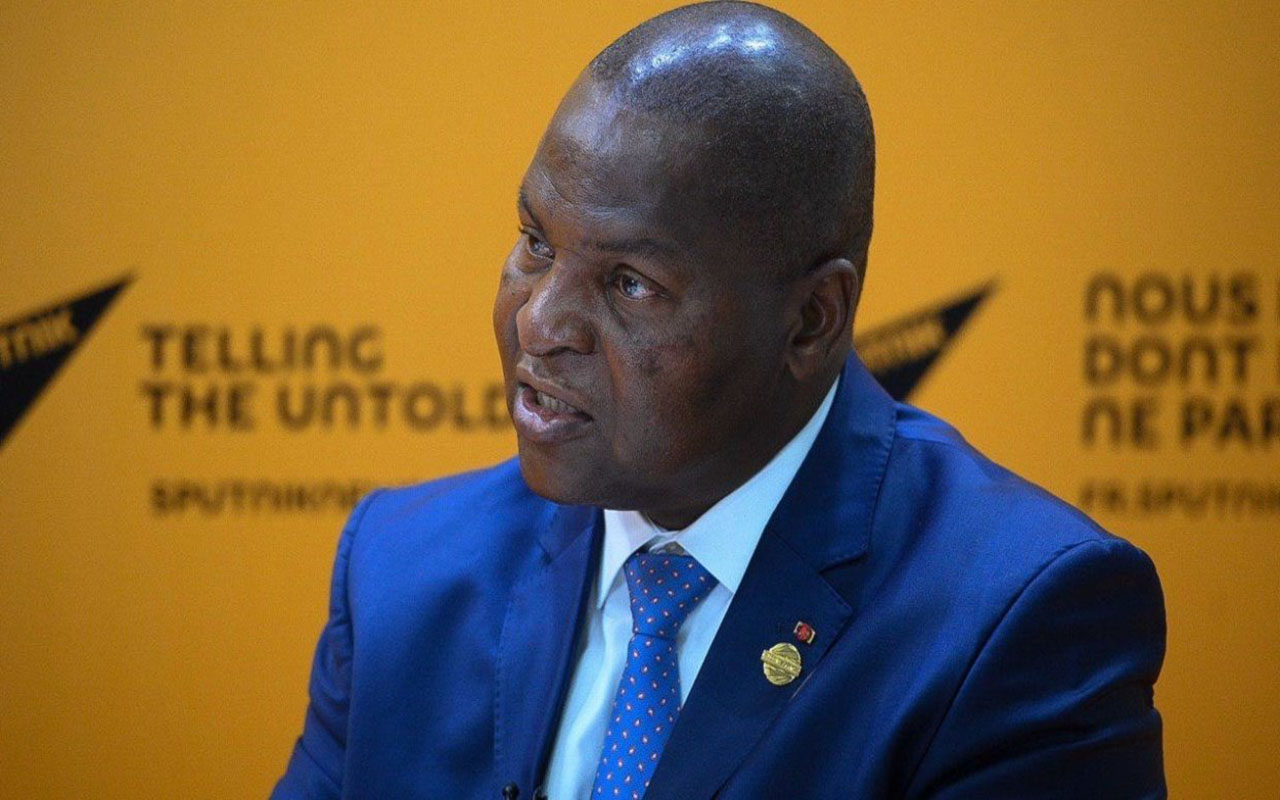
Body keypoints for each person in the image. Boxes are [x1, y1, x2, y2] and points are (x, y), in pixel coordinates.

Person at [272, 2, 1166, 798]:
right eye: (536, 243)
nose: (539, 322)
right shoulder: (400, 575)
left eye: (630, 283)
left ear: (811, 320)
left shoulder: (1019, 621)